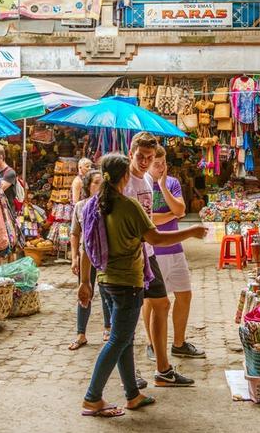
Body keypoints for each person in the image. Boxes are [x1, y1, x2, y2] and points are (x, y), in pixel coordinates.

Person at [79, 154, 208, 418]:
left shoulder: (92, 205)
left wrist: (84, 282)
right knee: (117, 340)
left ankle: (132, 394)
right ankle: (92, 398)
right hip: (127, 281)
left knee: (124, 339)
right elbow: (155, 239)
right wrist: (191, 231)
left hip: (105, 281)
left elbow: (85, 246)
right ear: (125, 177)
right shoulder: (129, 206)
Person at [126, 132, 193, 387]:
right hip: (132, 256)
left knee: (163, 304)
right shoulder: (125, 182)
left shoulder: (146, 184)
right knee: (129, 316)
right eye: (142, 157)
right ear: (131, 153)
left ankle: (163, 370)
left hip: (148, 253)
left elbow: (167, 215)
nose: (146, 161)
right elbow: (149, 225)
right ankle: (128, 375)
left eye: (150, 157)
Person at [148, 146, 205, 359]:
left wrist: (163, 187)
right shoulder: (141, 185)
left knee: (184, 294)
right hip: (153, 250)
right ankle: (152, 344)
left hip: (175, 248)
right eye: (156, 164)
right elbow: (148, 219)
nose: (160, 167)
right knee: (153, 302)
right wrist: (170, 215)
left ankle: (178, 343)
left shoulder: (171, 183)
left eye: (163, 163)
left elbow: (181, 211)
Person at [69, 170, 111, 350]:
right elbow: (75, 233)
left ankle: (108, 328)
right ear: (87, 186)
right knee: (84, 292)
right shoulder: (80, 206)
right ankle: (81, 334)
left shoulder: (109, 205)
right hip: (85, 256)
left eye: (102, 183)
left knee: (106, 292)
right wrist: (74, 257)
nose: (99, 186)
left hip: (104, 255)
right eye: (96, 182)